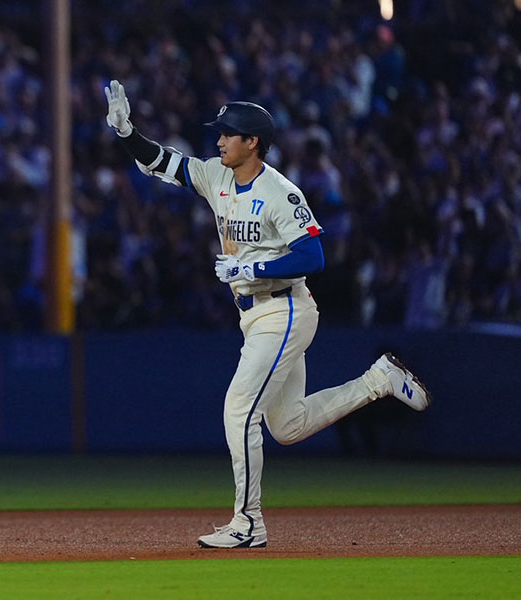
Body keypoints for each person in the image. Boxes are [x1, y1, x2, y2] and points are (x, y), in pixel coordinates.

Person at [104, 80, 432, 549]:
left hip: (285, 310)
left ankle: (249, 523)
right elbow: (167, 163)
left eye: (228, 133)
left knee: (239, 409)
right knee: (288, 426)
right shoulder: (218, 175)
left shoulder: (280, 192)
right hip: (254, 316)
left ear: (252, 141)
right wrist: (126, 132)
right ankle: (377, 381)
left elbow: (313, 256)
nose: (218, 140)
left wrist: (250, 265)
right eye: (219, 133)